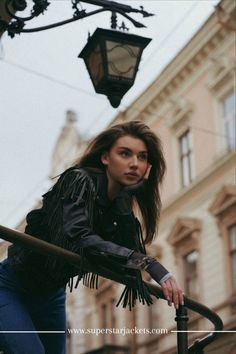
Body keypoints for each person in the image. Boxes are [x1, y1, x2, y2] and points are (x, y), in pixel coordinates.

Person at [0, 121, 184, 354]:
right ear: (105, 157)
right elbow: (79, 237)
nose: (134, 163)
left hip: (51, 296)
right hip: (11, 286)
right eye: (125, 154)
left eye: (142, 157)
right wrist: (149, 263)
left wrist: (128, 197)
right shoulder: (78, 180)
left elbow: (125, 260)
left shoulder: (120, 204)